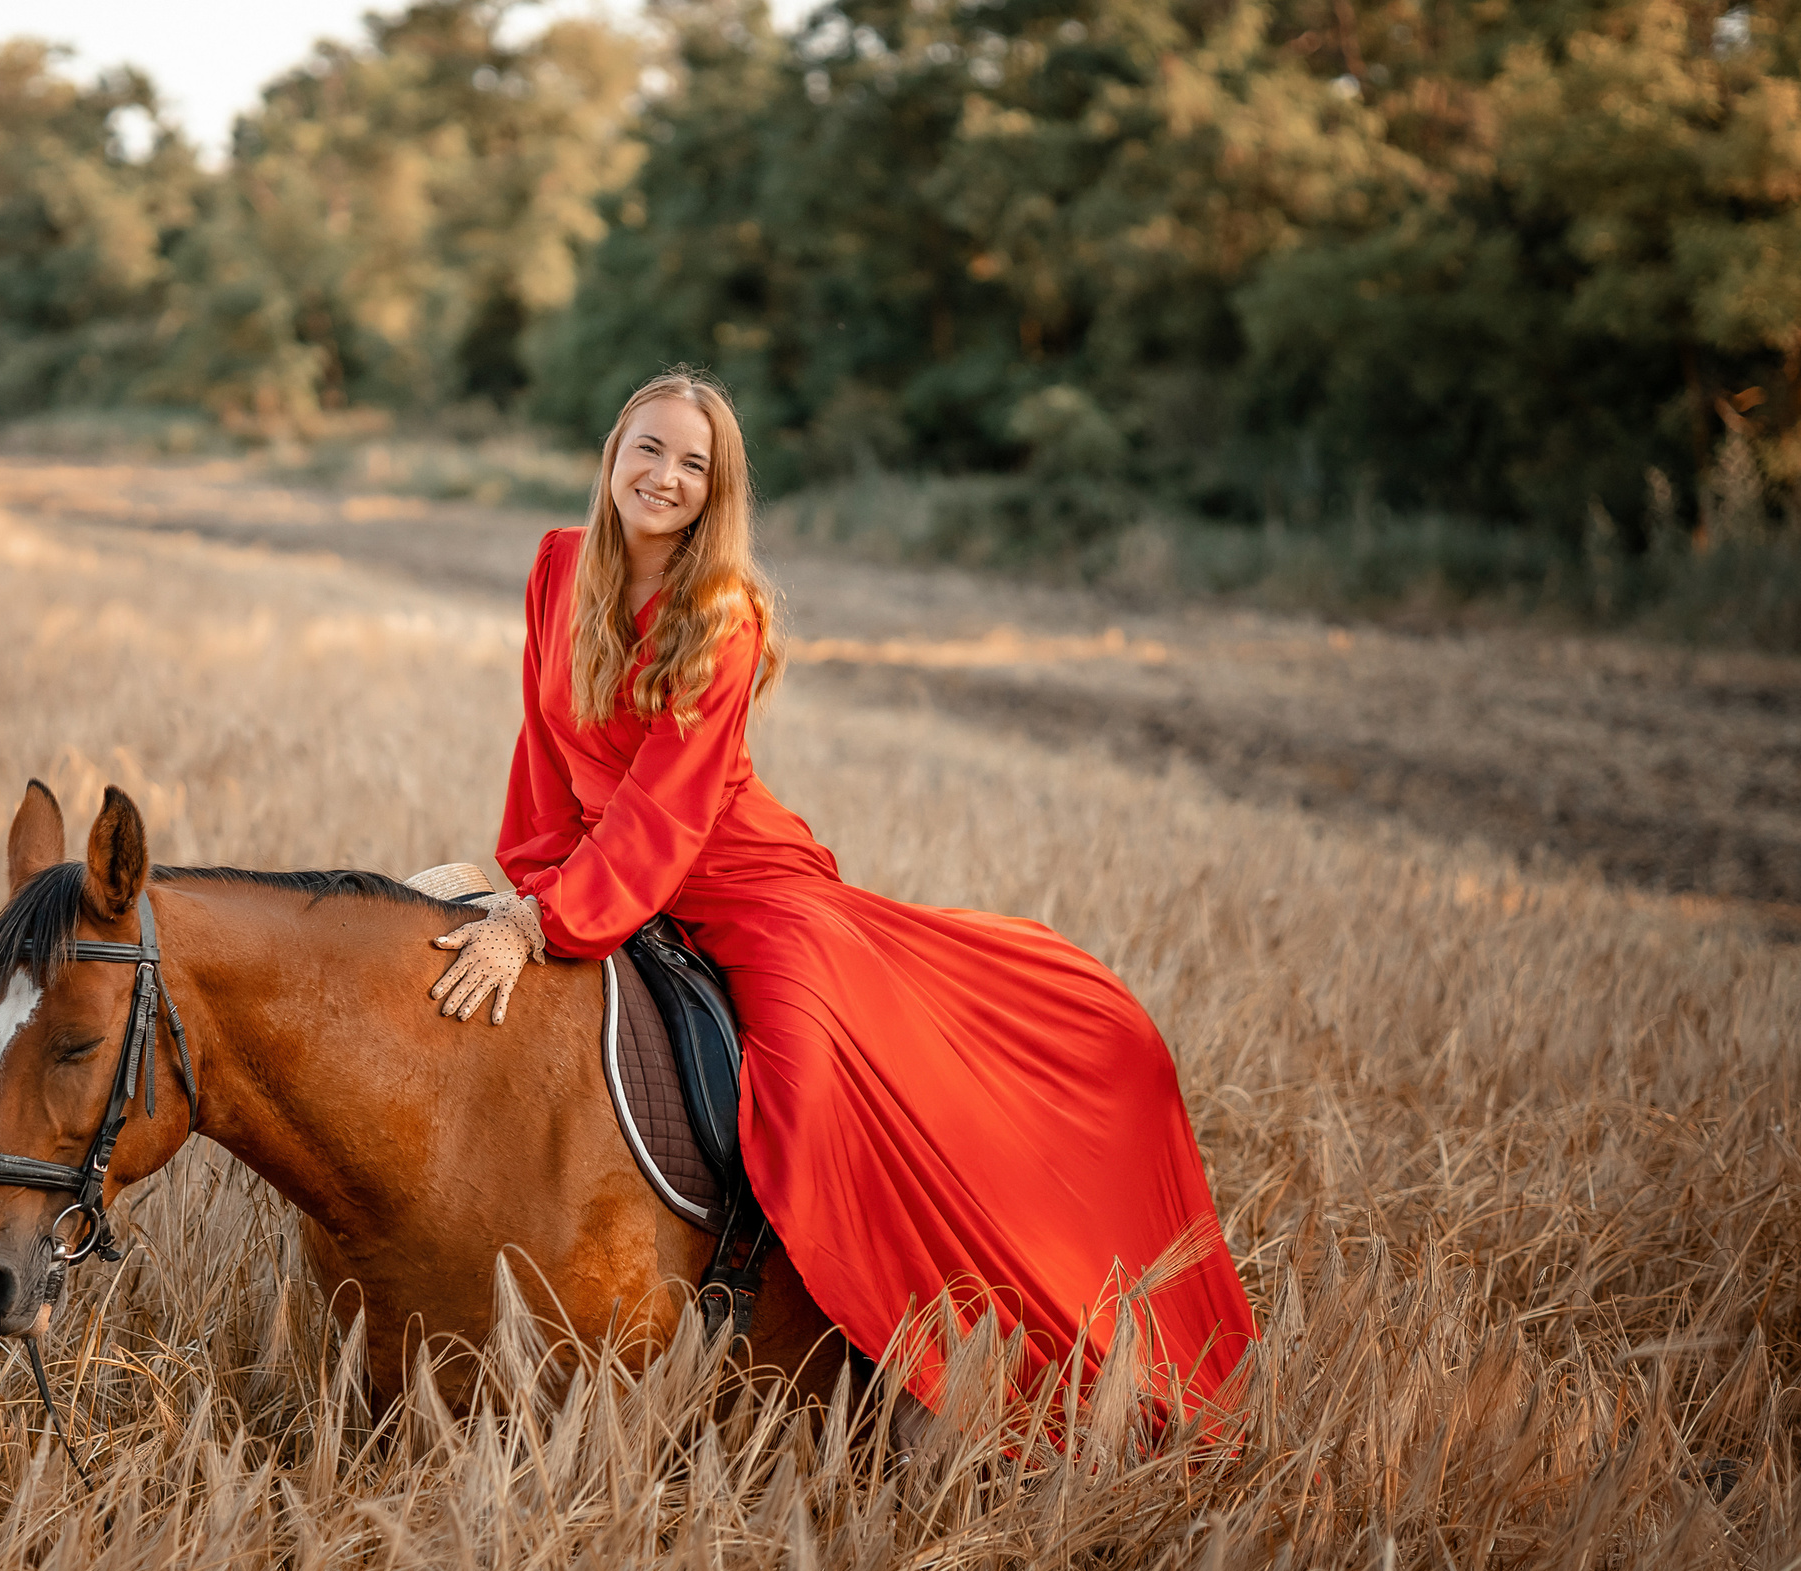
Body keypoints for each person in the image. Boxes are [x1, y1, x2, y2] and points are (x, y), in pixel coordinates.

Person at [425, 369, 1257, 1415]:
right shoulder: (557, 568)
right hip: (604, 874)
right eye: (650, 448)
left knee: (809, 1084)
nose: (666, 476)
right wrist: (529, 884)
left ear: (717, 492)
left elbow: (667, 813)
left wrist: (546, 922)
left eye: (695, 464)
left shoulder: (721, 616)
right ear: (611, 452)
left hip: (738, 882)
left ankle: (871, 1345)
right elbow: (545, 752)